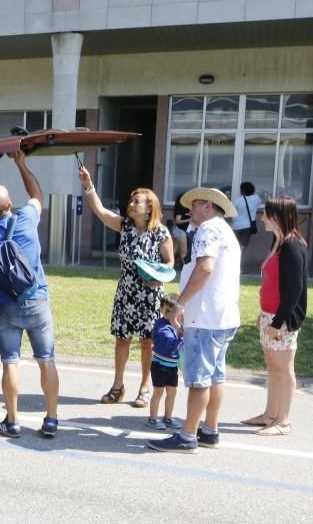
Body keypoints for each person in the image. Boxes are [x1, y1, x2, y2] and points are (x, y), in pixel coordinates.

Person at [0, 151, 59, 439]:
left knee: (10, 361)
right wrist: (21, 164)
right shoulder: (26, 218)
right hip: (38, 301)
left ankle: (12, 421)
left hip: (8, 307)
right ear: (10, 205)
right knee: (46, 359)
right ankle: (51, 420)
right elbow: (36, 194)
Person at [148, 187, 241, 453]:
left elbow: (205, 268)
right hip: (222, 315)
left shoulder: (208, 230)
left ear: (209, 206)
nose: (190, 211)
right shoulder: (225, 231)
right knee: (216, 376)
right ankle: (209, 430)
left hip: (204, 316)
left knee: (199, 378)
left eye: (195, 205)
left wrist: (180, 303)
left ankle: (187, 435)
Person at [78, 167, 173, 409]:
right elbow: (99, 211)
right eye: (131, 200)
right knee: (122, 340)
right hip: (126, 294)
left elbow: (170, 263)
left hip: (150, 296)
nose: (131, 204)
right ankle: (117, 386)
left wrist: (158, 278)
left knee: (147, 342)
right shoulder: (125, 227)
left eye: (137, 201)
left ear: (149, 208)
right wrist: (89, 185)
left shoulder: (160, 232)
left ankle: (144, 387)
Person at [241, 196, 309, 436]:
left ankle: (284, 421)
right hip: (270, 314)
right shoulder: (278, 241)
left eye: (267, 214)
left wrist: (278, 322)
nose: (262, 218)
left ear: (279, 216)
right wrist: (265, 315)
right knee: (272, 367)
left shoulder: (291, 245)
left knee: (284, 367)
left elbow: (295, 289)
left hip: (283, 319)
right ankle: (270, 414)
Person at [147, 294, 183, 430]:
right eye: (177, 314)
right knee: (158, 391)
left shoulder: (178, 326)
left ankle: (168, 417)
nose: (180, 317)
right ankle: (153, 418)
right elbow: (168, 343)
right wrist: (179, 334)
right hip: (159, 365)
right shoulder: (162, 326)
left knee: (172, 392)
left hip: (172, 366)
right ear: (167, 312)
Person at [230, 181, 261, 250]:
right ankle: (239, 259)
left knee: (233, 245)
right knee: (242, 246)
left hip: (236, 226)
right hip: (248, 226)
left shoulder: (237, 200)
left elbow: (231, 211)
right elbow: (259, 203)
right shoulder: (256, 198)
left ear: (242, 191)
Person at [171, 193, 191, 269]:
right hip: (180, 231)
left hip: (177, 230)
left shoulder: (185, 208)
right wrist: (189, 219)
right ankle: (185, 269)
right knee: (183, 252)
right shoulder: (180, 208)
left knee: (173, 251)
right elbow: (177, 221)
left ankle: (166, 267)